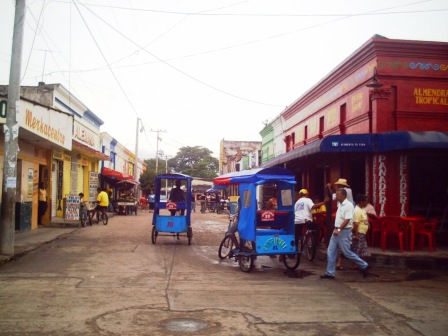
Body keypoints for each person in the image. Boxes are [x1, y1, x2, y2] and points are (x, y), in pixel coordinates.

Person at [321, 188, 369, 279]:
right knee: (330, 251)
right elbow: (332, 196)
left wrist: (338, 230)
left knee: (346, 252)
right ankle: (329, 273)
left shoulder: (348, 205)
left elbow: (347, 220)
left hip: (343, 231)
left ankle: (364, 265)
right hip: (337, 230)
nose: (336, 197)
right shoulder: (340, 203)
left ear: (343, 195)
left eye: (338, 195)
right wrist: (328, 188)